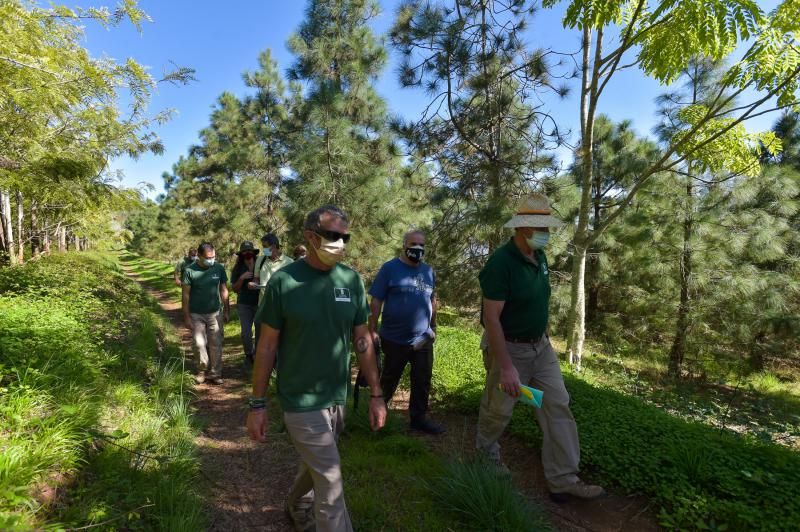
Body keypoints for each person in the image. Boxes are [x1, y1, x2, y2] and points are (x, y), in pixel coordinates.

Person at [247, 205, 386, 532]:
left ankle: (296, 505)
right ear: (310, 237)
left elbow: (362, 339)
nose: (340, 243)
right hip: (300, 399)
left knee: (318, 467)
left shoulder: (351, 280)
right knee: (331, 478)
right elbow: (266, 345)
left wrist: (377, 394)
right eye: (333, 236)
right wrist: (257, 403)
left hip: (336, 397)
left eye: (345, 237)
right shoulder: (285, 281)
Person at [476, 193, 605, 501]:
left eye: (548, 226)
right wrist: (506, 366)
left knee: (556, 403)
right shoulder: (500, 264)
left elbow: (538, 300)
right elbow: (491, 319)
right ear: (522, 228)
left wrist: (543, 335)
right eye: (541, 227)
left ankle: (562, 479)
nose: (547, 233)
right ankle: (485, 459)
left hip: (541, 349)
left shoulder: (540, 258)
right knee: (499, 408)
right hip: (509, 350)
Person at [368, 229, 443, 434]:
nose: (417, 249)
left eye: (422, 245)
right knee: (389, 379)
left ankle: (418, 419)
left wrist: (433, 326)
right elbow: (376, 300)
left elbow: (432, 300)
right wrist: (372, 330)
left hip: (423, 338)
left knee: (422, 380)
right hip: (394, 338)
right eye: (413, 244)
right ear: (405, 246)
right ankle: (376, 417)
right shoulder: (390, 269)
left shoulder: (428, 271)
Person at [182, 242, 230, 385]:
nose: (212, 260)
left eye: (213, 257)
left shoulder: (219, 268)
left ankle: (215, 373)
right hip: (196, 314)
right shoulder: (190, 271)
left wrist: (227, 310)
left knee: (216, 343)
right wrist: (186, 316)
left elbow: (224, 290)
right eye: (208, 257)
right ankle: (202, 370)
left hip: (215, 313)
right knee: (199, 343)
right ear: (199, 256)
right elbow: (185, 294)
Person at [253, 233, 293, 347]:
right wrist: (254, 284)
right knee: (262, 339)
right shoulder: (260, 260)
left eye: (265, 246)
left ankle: (280, 363)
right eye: (263, 246)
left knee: (282, 338)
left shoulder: (289, 262)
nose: (264, 249)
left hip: (282, 306)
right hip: (263, 305)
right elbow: (256, 278)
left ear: (274, 246)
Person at [231, 241, 260, 364]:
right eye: (245, 252)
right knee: (246, 333)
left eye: (249, 251)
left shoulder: (261, 263)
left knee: (261, 331)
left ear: (253, 252)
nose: (247, 253)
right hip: (244, 303)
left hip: (260, 302)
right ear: (241, 254)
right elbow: (235, 289)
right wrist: (242, 278)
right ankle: (248, 355)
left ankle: (259, 356)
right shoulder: (238, 268)